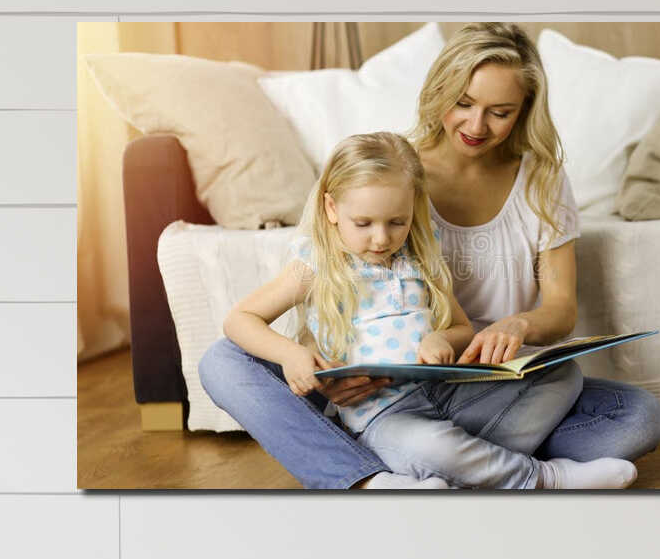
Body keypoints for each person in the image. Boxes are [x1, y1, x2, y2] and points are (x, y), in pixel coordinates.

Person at [200, 23, 660, 488]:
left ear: (524, 110)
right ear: (440, 90)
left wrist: (518, 325)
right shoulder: (392, 173)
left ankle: (433, 463)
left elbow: (560, 310)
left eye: (500, 112)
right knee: (224, 361)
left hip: (485, 384)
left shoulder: (540, 180)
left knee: (637, 416)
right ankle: (379, 475)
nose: (476, 126)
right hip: (375, 394)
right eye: (463, 103)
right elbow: (324, 286)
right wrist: (323, 368)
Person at [220, 133, 637, 491]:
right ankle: (543, 478)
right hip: (384, 415)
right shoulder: (316, 266)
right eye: (363, 223)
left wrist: (441, 338)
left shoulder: (418, 260)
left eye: (396, 222)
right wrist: (290, 354)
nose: (381, 239)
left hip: (447, 393)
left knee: (563, 375)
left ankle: (450, 470)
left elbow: (460, 326)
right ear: (331, 209)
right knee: (434, 447)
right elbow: (240, 319)